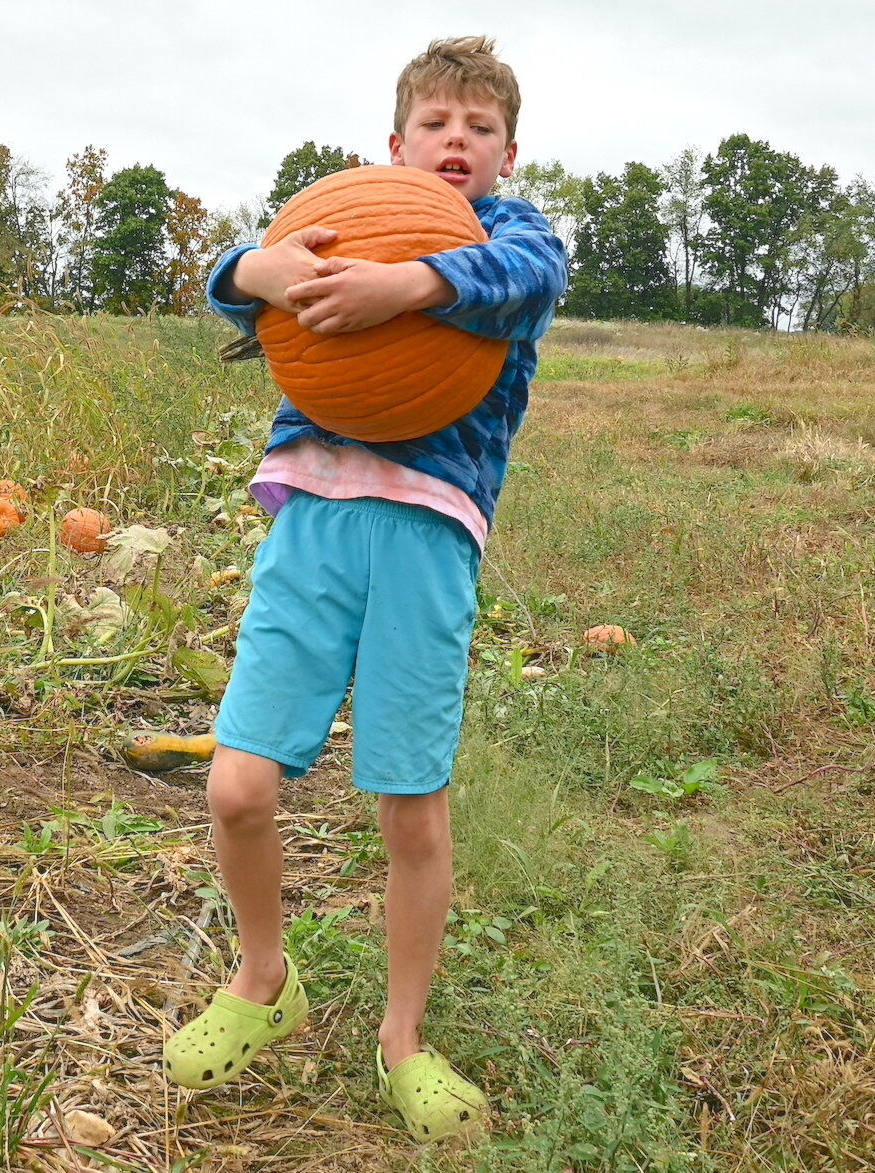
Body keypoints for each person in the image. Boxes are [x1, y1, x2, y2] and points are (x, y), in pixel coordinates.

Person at [162, 35, 567, 1144]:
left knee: (408, 807)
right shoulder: (342, 222)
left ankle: (402, 1038)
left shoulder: (508, 237)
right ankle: (260, 980)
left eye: (479, 130)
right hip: (311, 527)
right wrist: (264, 270)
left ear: (507, 154)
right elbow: (227, 280)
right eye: (436, 124)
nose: (456, 141)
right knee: (238, 787)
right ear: (395, 144)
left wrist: (413, 283)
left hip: (430, 536)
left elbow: (529, 278)